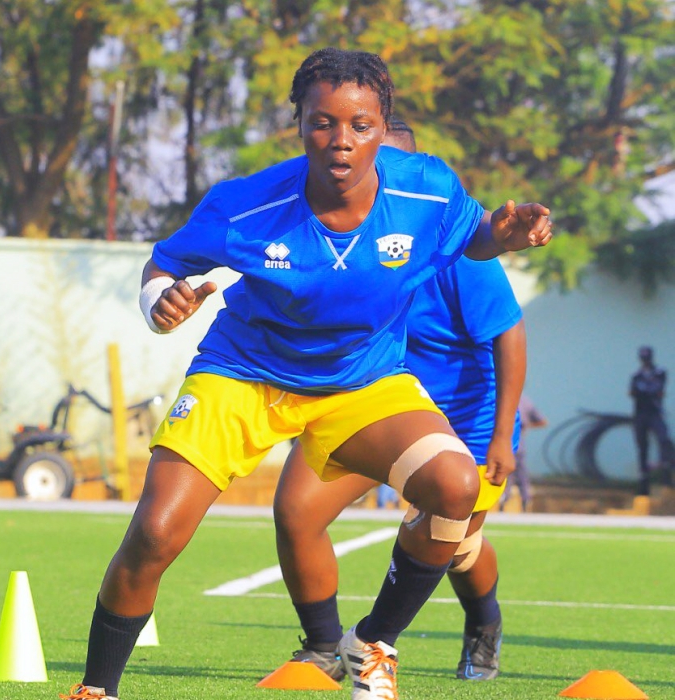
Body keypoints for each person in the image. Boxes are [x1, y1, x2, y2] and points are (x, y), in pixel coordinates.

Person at [60, 48, 551, 700]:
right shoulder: (245, 204)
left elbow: (473, 237)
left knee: (455, 486)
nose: (341, 142)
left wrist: (503, 235)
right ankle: (96, 691)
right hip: (244, 375)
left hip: (361, 382)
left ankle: (371, 644)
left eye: (361, 125)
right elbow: (162, 266)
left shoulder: (425, 187)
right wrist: (162, 303)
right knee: (154, 531)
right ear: (299, 124)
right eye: (323, 123)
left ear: (383, 126)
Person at [272, 119, 526, 685]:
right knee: (296, 512)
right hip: (376, 406)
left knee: (450, 539)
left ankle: (478, 625)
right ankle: (321, 646)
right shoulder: (337, 240)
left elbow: (509, 333)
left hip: (465, 423)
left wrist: (503, 433)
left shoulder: (456, 246)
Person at [630, 346, 673, 495]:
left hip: (655, 413)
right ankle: (643, 484)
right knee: (643, 447)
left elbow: (658, 390)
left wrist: (646, 390)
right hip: (641, 414)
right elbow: (633, 392)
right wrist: (646, 390)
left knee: (664, 440)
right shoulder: (636, 374)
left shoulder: (660, 372)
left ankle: (666, 473)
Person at [502, 394, 547, 511]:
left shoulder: (501, 397)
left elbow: (542, 421)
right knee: (521, 474)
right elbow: (541, 421)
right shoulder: (526, 401)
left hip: (505, 443)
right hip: (517, 444)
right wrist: (525, 426)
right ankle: (524, 499)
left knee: (507, 474)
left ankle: (505, 499)